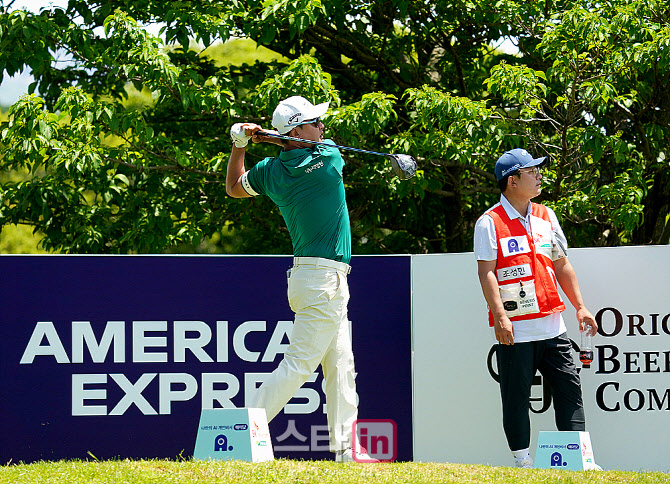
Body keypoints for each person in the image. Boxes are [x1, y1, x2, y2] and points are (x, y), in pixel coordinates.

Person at [225, 95, 375, 463]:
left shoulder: (270, 172)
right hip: (323, 278)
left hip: (316, 277)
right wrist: (267, 137)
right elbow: (305, 145)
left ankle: (346, 449)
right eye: (315, 123)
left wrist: (241, 144)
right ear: (298, 130)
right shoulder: (327, 159)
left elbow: (233, 187)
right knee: (300, 364)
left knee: (341, 367)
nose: (323, 128)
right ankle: (240, 431)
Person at [473, 148, 598, 469]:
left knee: (570, 392)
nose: (540, 175)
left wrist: (580, 307)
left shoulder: (546, 215)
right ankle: (522, 461)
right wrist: (500, 316)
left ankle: (579, 461)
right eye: (532, 171)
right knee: (516, 398)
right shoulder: (489, 222)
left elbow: (560, 263)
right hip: (516, 329)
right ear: (512, 181)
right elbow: (486, 271)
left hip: (554, 326)